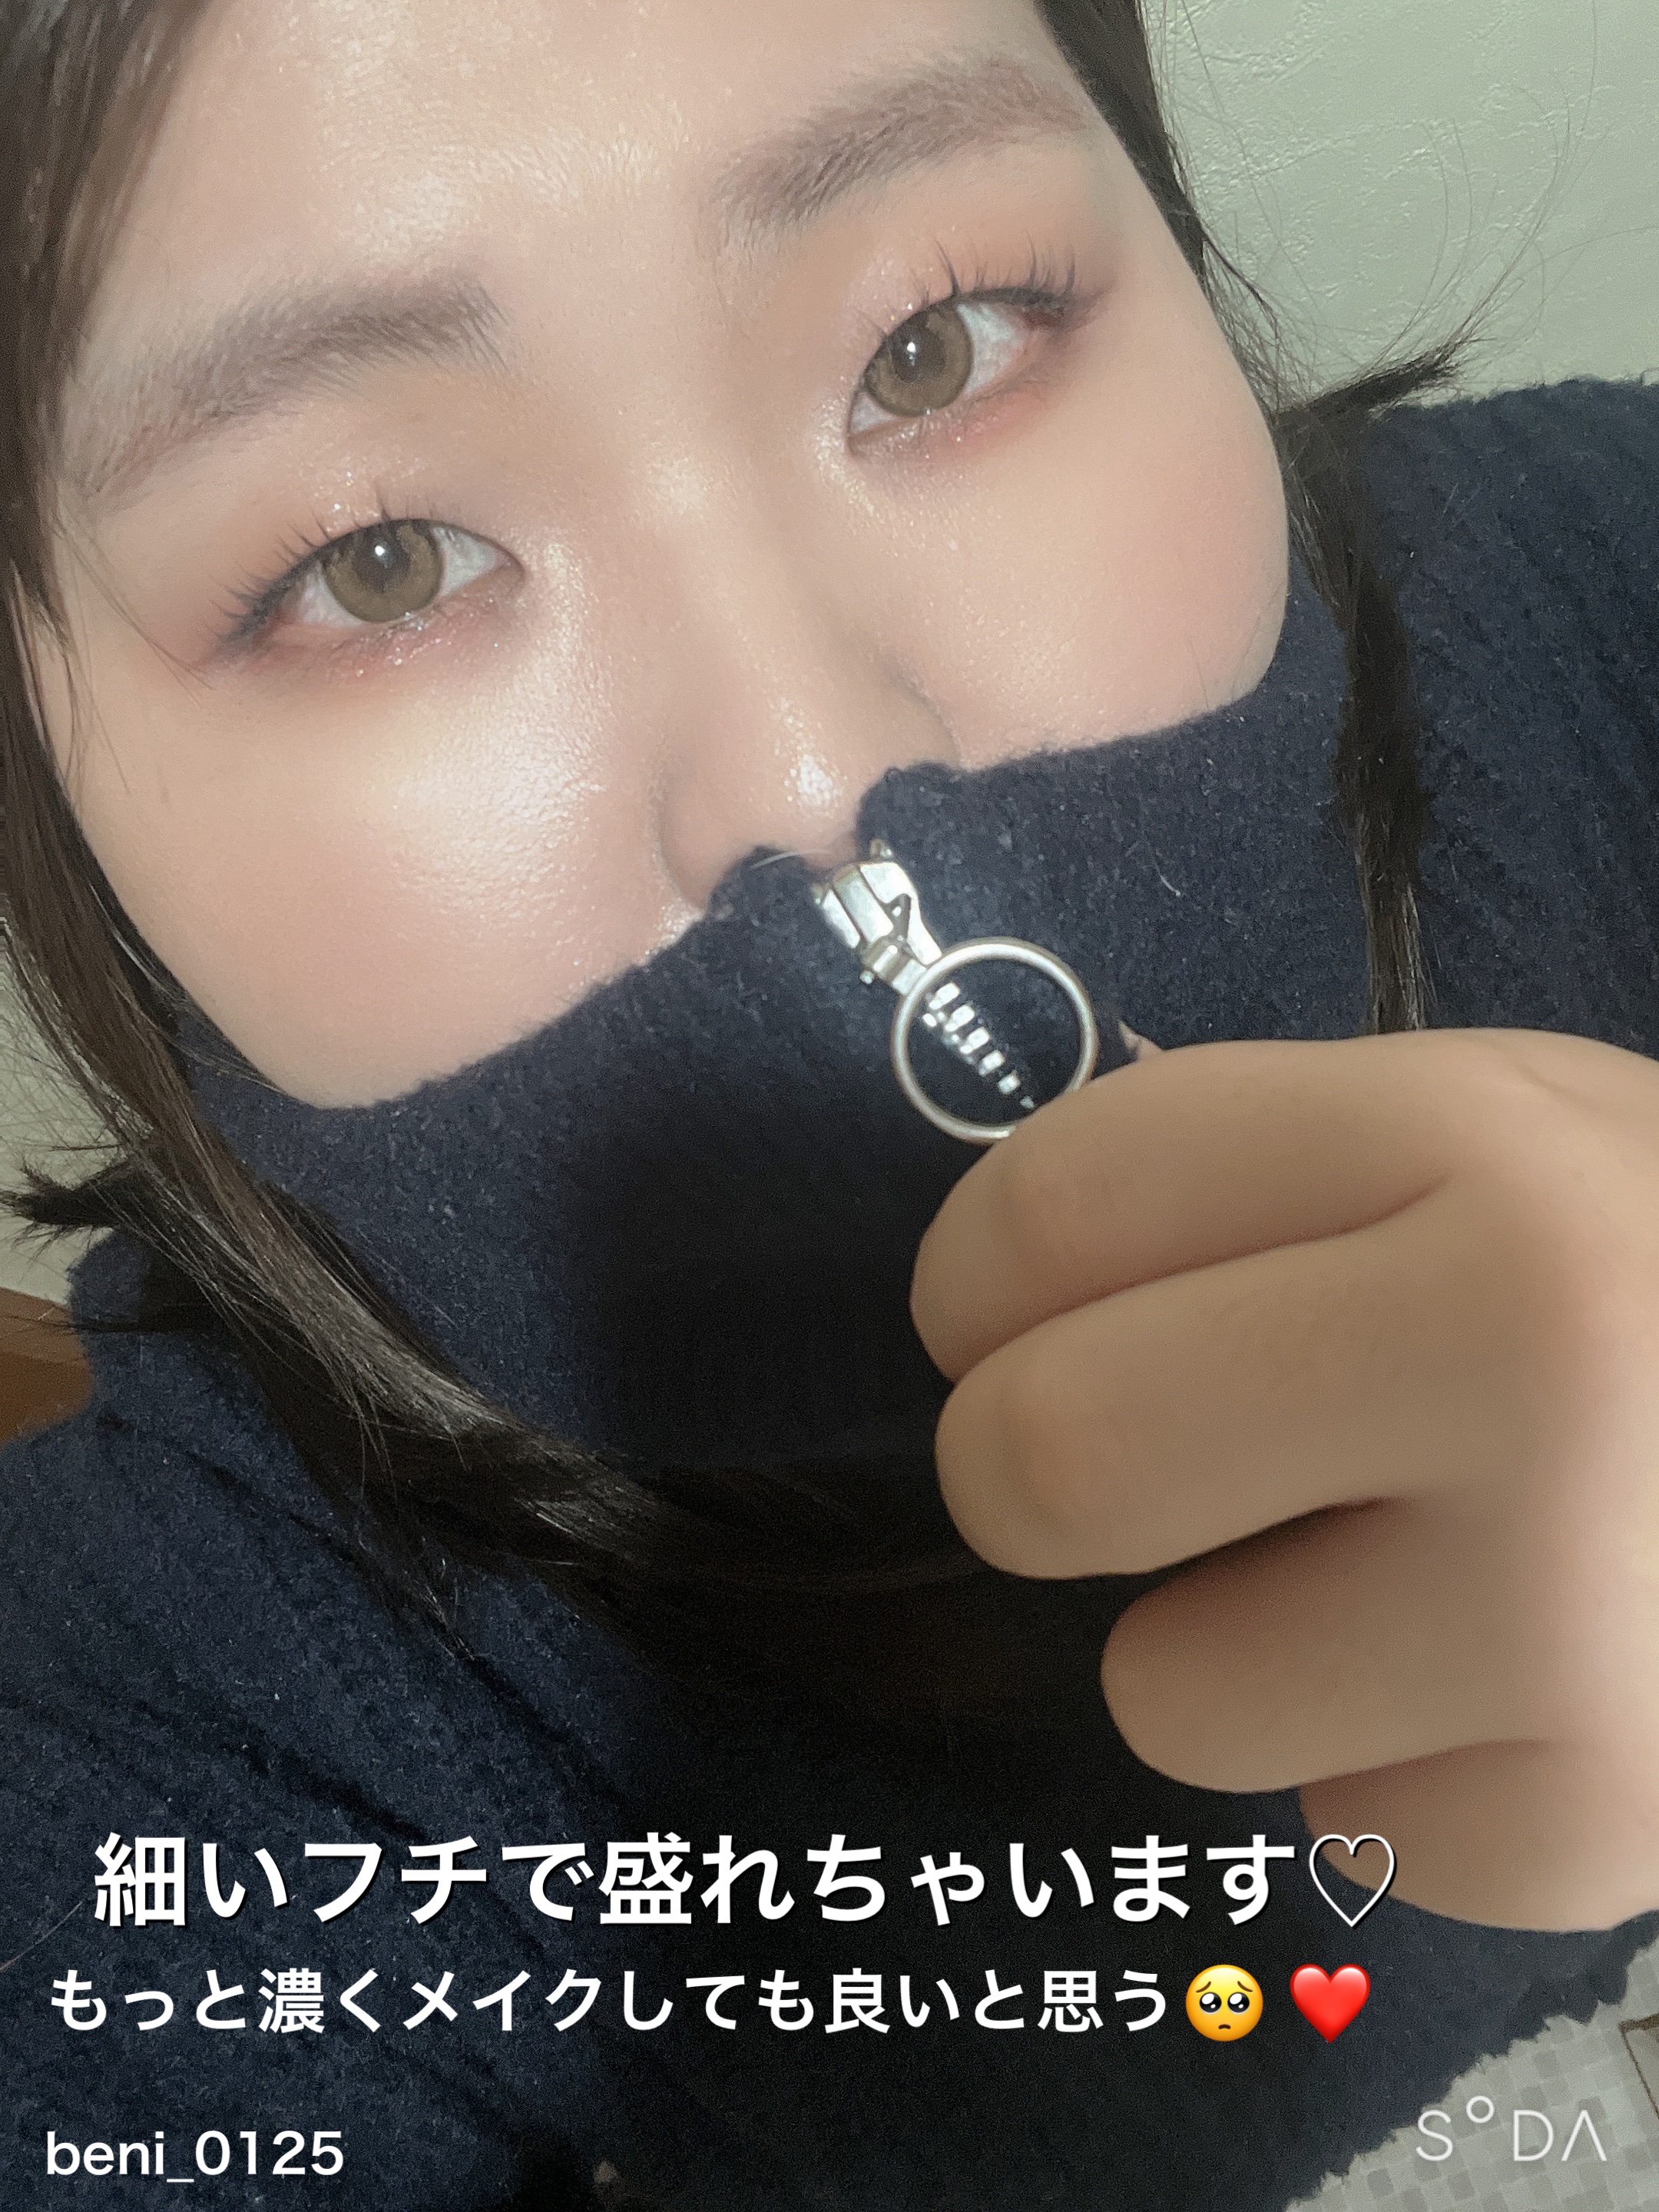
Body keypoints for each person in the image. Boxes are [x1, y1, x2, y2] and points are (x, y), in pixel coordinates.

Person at [2, 1, 1656, 2206]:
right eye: (376, 562)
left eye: (932, 345)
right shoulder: (151, 1767)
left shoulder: (1612, 586)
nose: (809, 769)